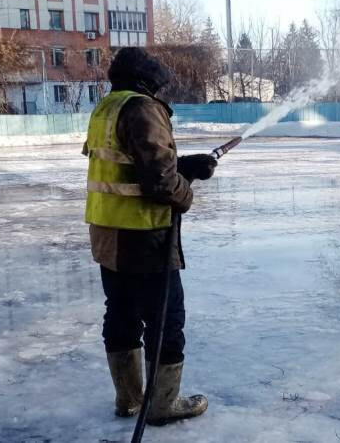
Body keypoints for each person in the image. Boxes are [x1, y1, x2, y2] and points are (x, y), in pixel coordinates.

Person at [83, 47, 217, 426]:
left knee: (122, 313)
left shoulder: (108, 107)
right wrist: (185, 192)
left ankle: (129, 399)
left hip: (108, 234)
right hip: (144, 236)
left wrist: (185, 166)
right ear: (146, 82)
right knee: (166, 319)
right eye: (159, 87)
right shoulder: (142, 108)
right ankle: (162, 405)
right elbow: (159, 180)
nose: (162, 94)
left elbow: (129, 164)